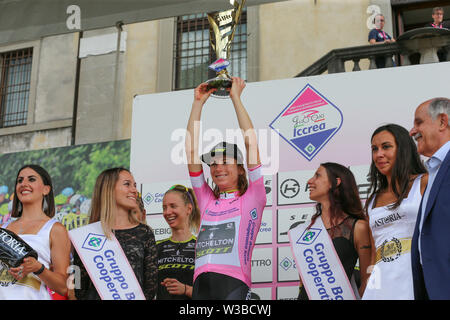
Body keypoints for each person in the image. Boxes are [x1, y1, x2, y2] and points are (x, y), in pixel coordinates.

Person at [185, 77, 267, 300]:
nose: (217, 168)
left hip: (233, 284)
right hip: (200, 285)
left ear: (241, 169)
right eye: (213, 163)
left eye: (225, 162)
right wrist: (198, 104)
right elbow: (191, 152)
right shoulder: (206, 199)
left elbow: (250, 142)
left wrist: (236, 98)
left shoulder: (253, 197)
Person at [362, 124, 428, 300]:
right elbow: (372, 256)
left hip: (418, 277)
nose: (379, 154)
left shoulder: (425, 183)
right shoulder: (372, 201)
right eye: (374, 149)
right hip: (382, 285)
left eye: (386, 146)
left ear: (403, 149)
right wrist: (369, 286)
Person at [73, 167, 158, 300]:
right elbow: (78, 285)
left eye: (134, 185)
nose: (134, 190)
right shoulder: (86, 235)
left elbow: (151, 285)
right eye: (127, 184)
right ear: (109, 189)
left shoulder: (144, 232)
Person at [297, 162, 374, 299]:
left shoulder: (358, 227)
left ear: (335, 182)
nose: (310, 181)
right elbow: (303, 282)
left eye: (317, 176)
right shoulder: (307, 229)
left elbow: (367, 281)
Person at [0, 164, 71, 300]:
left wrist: (38, 268)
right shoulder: (4, 227)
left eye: (31, 179)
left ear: (46, 189)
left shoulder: (55, 229)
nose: (24, 184)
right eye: (20, 180)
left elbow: (63, 287)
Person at [410, 97, 450, 300]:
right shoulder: (433, 170)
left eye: (419, 122)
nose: (412, 131)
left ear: (443, 122)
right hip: (431, 288)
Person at [156, 184, 200, 300]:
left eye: (173, 206)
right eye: (164, 208)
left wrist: (185, 289)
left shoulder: (201, 246)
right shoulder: (157, 247)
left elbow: (212, 292)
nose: (167, 212)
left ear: (188, 209)